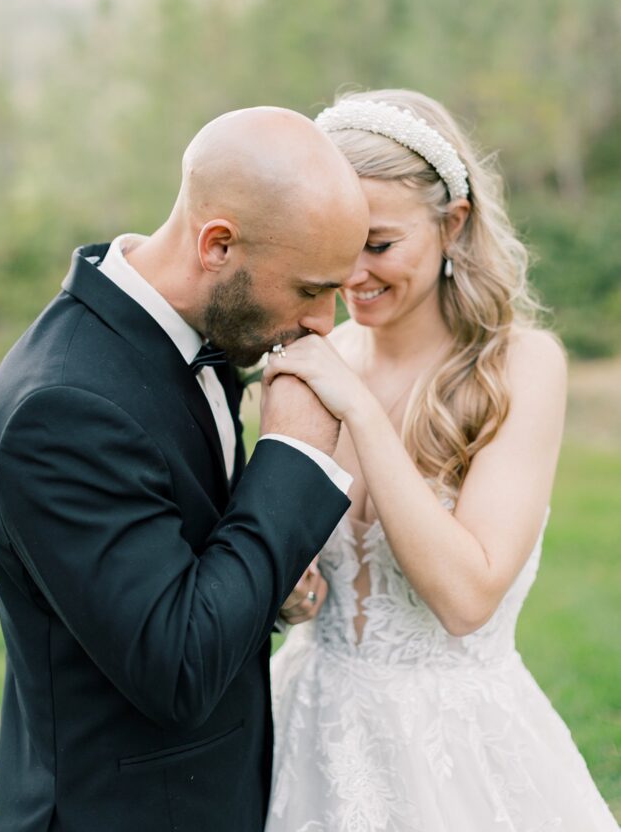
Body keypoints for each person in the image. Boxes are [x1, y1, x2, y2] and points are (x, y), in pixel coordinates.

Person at [0, 105, 371, 832]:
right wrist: (293, 455)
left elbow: (184, 580)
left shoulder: (207, 333)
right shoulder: (61, 409)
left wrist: (264, 594)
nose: (325, 323)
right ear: (217, 244)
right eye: (312, 291)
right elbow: (179, 668)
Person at [265, 90, 619, 831]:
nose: (351, 274)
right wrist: (286, 593)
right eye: (333, 242)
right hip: (302, 728)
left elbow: (466, 600)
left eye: (379, 243)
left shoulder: (519, 367)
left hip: (453, 754)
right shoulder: (302, 364)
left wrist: (358, 409)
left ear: (451, 225)